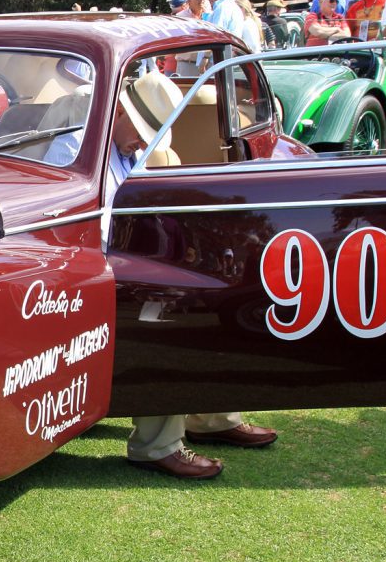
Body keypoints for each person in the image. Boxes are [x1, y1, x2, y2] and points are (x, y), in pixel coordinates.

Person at [110, 73, 278, 479]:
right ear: (120, 113)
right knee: (163, 316)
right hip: (102, 272)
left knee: (216, 298)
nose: (142, 143)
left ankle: (211, 418)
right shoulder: (84, 149)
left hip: (131, 262)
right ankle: (156, 446)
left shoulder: (131, 153)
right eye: (142, 131)